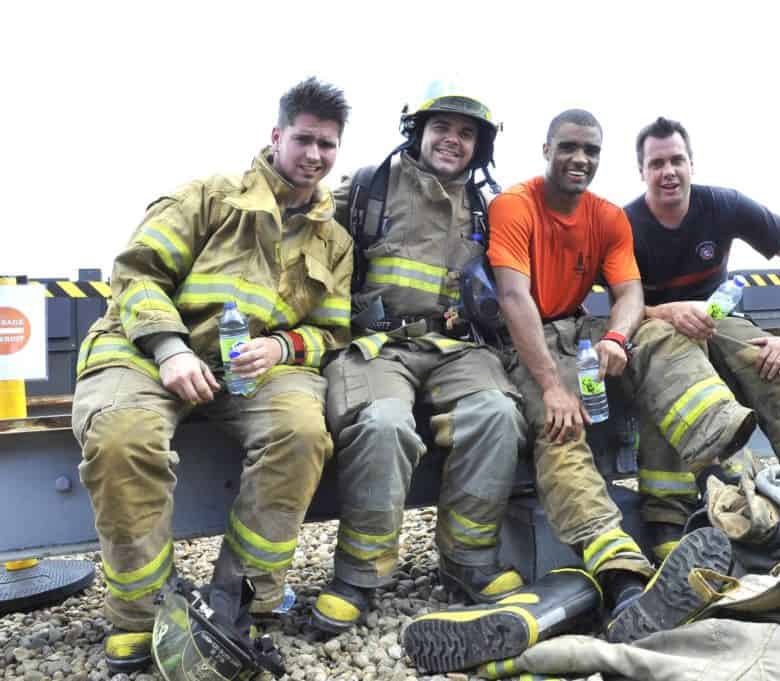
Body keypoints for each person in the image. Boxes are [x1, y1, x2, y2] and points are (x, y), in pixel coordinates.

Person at [71, 77, 353, 673]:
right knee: (123, 437)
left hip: (251, 369)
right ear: (277, 136)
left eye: (327, 145)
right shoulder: (209, 196)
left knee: (301, 434)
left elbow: (332, 333)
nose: (314, 155)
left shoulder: (335, 240)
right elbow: (137, 274)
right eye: (303, 139)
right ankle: (142, 616)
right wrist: (171, 349)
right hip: (146, 349)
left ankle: (239, 602)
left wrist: (280, 346)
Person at [487, 109, 745, 642]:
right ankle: (622, 575)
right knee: (561, 428)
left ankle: (732, 466)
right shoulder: (515, 205)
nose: (580, 159)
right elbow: (514, 298)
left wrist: (615, 339)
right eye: (568, 147)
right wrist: (553, 387)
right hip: (529, 337)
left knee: (659, 335)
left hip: (581, 328)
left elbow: (629, 294)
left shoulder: (606, 217)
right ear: (546, 150)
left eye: (591, 150)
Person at [311, 88, 528, 634]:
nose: (453, 140)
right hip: (375, 346)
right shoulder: (366, 189)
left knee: (499, 414)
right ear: (417, 131)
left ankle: (468, 559)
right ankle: (360, 574)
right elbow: (298, 231)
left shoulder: (488, 207)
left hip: (456, 347)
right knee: (382, 423)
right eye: (442, 127)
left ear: (480, 146)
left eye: (467, 132)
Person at [623, 117, 780, 556]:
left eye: (677, 160)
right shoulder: (625, 225)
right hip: (653, 329)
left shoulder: (723, 206)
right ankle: (669, 521)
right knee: (669, 384)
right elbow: (614, 305)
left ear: (692, 164)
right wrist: (664, 310)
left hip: (719, 320)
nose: (669, 171)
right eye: (657, 163)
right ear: (641, 171)